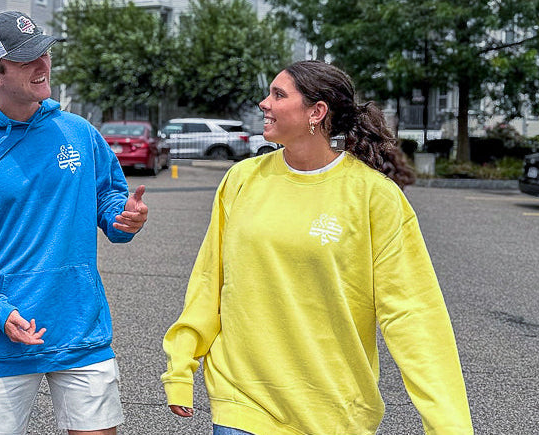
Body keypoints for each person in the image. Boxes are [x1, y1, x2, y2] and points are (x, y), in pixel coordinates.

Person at [161, 60, 473, 434]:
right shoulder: (241, 180)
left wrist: (448, 425)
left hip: (334, 411)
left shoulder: (374, 197)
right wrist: (182, 363)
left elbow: (413, 315)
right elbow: (209, 281)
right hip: (242, 401)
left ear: (317, 111)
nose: (264, 103)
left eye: (278, 95)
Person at [0, 10, 148, 435]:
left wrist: (123, 217)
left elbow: (109, 197)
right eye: (26, 60)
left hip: (80, 328)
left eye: (44, 53)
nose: (43, 66)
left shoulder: (79, 133)